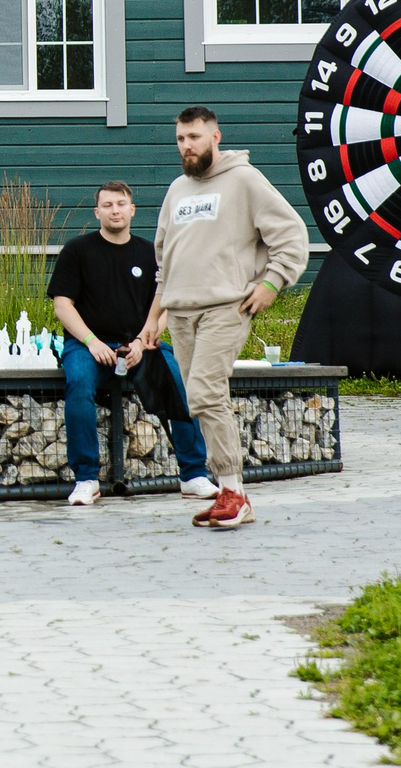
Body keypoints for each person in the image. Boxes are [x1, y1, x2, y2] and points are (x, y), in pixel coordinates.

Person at [144, 108, 309, 531]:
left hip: (226, 306)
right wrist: (155, 316)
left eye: (195, 137)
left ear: (215, 136)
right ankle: (227, 490)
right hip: (179, 312)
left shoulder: (244, 180)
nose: (187, 146)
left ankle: (234, 493)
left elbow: (291, 234)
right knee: (199, 399)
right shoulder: (177, 190)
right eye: (181, 139)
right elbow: (165, 260)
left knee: (204, 389)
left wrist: (272, 284)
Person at [48, 181, 214, 508]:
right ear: (97, 212)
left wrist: (144, 339)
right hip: (88, 346)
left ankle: (193, 475)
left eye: (121, 204)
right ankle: (86, 479)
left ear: (132, 209)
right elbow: (62, 305)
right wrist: (91, 341)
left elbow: (167, 302)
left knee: (179, 380)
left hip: (142, 344)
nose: (115, 210)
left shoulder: (150, 253)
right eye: (107, 205)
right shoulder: (77, 251)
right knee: (79, 385)